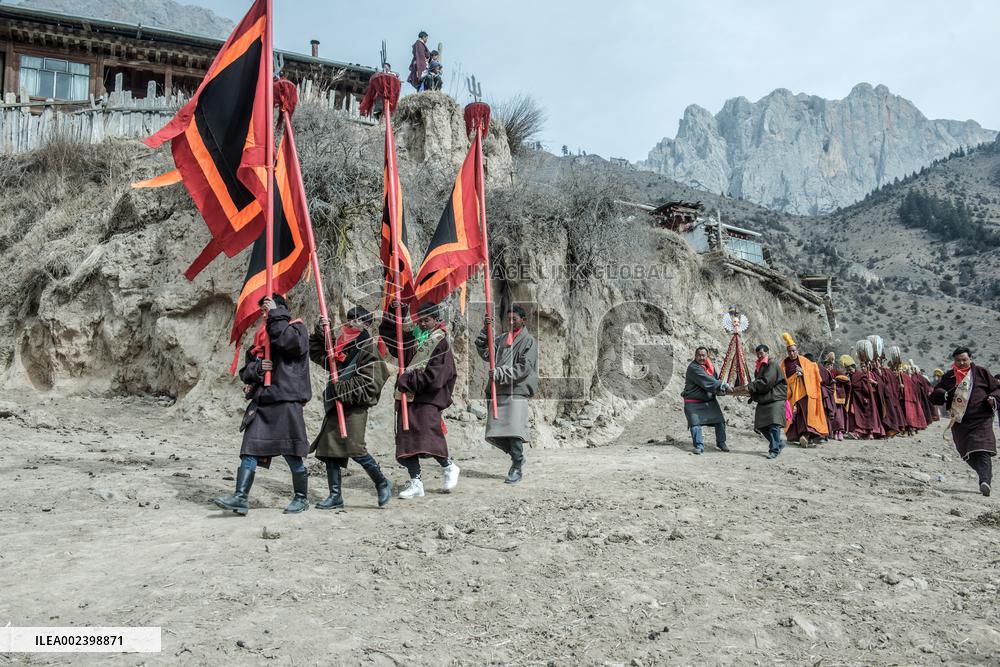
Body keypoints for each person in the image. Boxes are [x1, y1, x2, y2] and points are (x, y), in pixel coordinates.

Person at [214, 295, 311, 515]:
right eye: (264, 312)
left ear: (282, 310)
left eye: (268, 310)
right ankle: (240, 497)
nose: (265, 315)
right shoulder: (262, 338)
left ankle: (301, 498)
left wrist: (276, 314)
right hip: (263, 402)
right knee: (249, 450)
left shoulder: (296, 330)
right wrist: (258, 369)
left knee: (291, 453)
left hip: (286, 401)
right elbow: (246, 372)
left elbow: (289, 344)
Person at [308, 306, 393, 510]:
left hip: (354, 406)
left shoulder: (368, 349)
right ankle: (335, 496)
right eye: (349, 319)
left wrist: (342, 388)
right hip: (336, 403)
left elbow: (372, 382)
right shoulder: (339, 345)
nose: (351, 323)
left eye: (357, 320)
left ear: (366, 324)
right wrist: (322, 334)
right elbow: (321, 357)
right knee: (330, 450)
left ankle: (381, 482)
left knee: (355, 448)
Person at [380, 301, 459, 499]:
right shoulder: (413, 339)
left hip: (427, 398)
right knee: (407, 440)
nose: (423, 324)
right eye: (420, 320)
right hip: (409, 396)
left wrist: (407, 379)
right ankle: (416, 481)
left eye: (427, 320)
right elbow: (389, 334)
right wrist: (397, 310)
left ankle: (448, 466)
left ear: (436, 320)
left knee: (429, 436)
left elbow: (437, 376)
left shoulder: (441, 343)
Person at [475, 305, 538, 484]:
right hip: (497, 391)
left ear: (523, 320)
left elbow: (524, 368)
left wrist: (501, 373)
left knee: (514, 432)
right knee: (493, 433)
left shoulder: (529, 341)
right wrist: (485, 331)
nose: (511, 322)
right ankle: (517, 457)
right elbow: (486, 353)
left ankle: (516, 466)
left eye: (514, 319)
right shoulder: (502, 338)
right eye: (508, 319)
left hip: (516, 391)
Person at [930, 346, 1000, 497]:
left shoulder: (981, 373)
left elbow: (997, 389)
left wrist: (992, 399)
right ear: (954, 361)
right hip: (959, 421)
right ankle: (983, 473)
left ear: (971, 359)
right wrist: (942, 394)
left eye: (964, 360)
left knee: (982, 449)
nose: (961, 363)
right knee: (966, 452)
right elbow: (936, 393)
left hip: (981, 419)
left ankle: (984, 481)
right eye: (958, 360)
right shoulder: (949, 377)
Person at [681, 346, 731, 455]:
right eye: (699, 355)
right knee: (695, 424)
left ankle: (721, 443)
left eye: (703, 355)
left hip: (708, 400)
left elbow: (714, 380)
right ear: (695, 356)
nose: (701, 358)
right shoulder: (694, 368)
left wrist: (720, 388)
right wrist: (721, 385)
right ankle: (698, 446)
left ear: (707, 356)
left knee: (720, 421)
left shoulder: (710, 367)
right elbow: (706, 380)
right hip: (693, 401)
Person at [781, 334, 829, 447]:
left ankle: (806, 436)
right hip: (791, 393)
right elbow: (782, 378)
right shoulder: (784, 363)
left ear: (797, 350)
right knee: (793, 415)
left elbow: (816, 376)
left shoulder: (805, 362)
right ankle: (797, 436)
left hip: (805, 393)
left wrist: (804, 373)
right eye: (789, 351)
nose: (791, 353)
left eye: (793, 351)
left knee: (805, 415)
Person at [745, 344, 788, 459]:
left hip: (775, 398)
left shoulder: (772, 364)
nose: (759, 356)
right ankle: (778, 443)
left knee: (774, 425)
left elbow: (766, 382)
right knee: (761, 425)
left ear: (767, 353)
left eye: (761, 353)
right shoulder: (760, 366)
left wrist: (750, 386)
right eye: (757, 354)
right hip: (766, 398)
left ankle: (774, 450)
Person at [820, 352, 847, 441]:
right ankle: (833, 432)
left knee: (838, 416)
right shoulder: (822, 372)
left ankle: (840, 432)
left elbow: (846, 379)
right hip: (827, 397)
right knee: (831, 416)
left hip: (837, 397)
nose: (830, 366)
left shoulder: (835, 372)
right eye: (828, 364)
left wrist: (836, 380)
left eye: (831, 364)